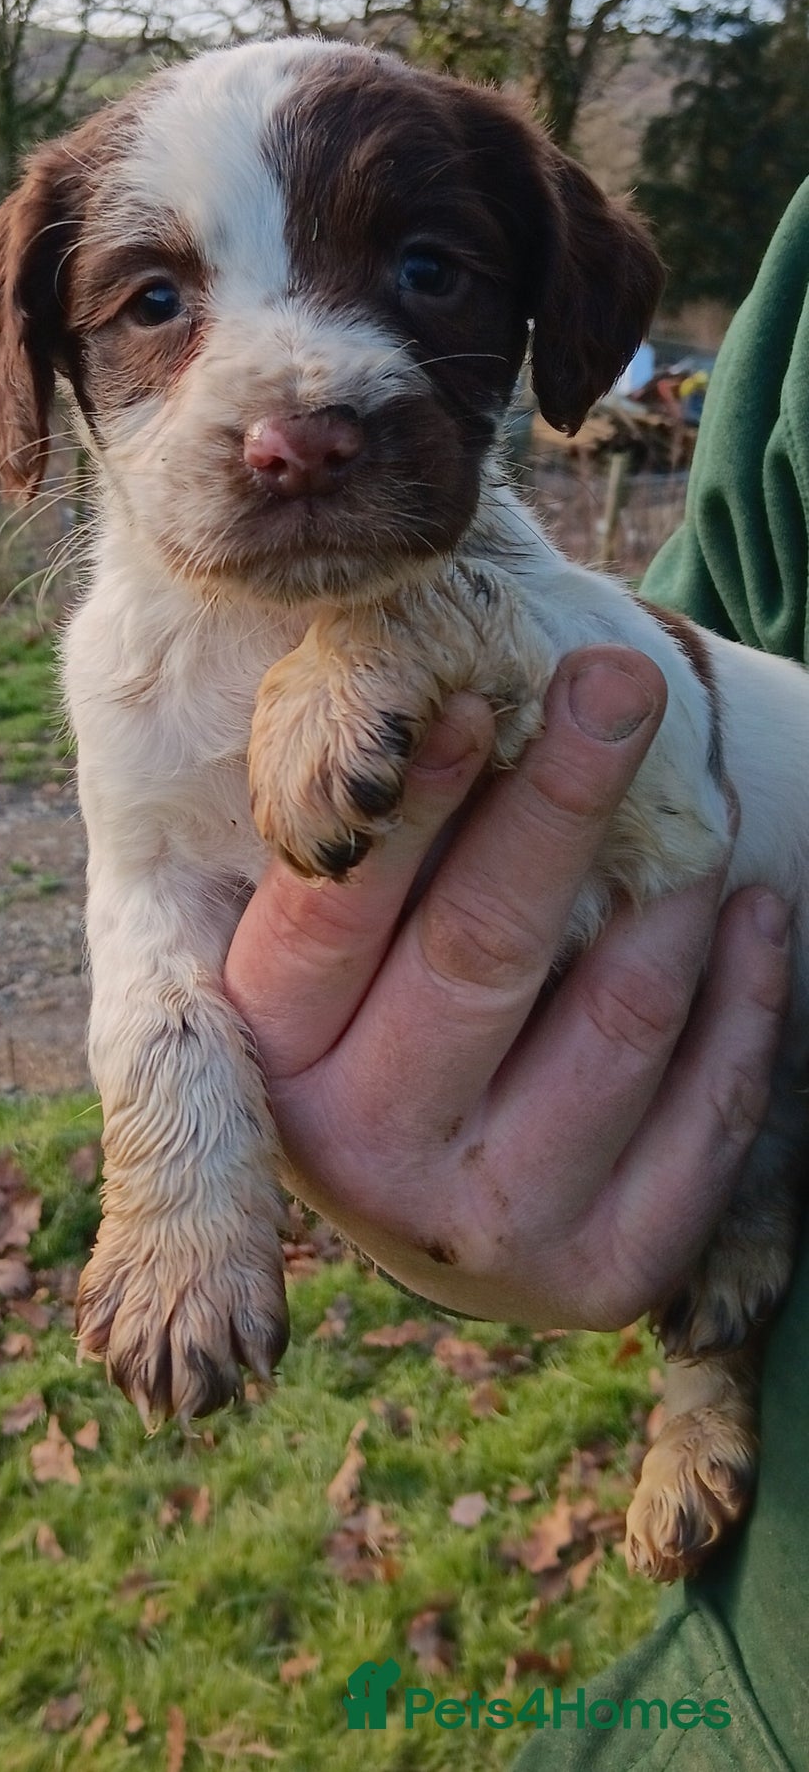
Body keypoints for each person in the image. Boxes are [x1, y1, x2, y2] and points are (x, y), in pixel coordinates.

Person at [224, 180, 809, 1769]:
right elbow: (640, 715)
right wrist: (421, 1196)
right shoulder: (802, 292)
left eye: (427, 268)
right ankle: (711, 1372)